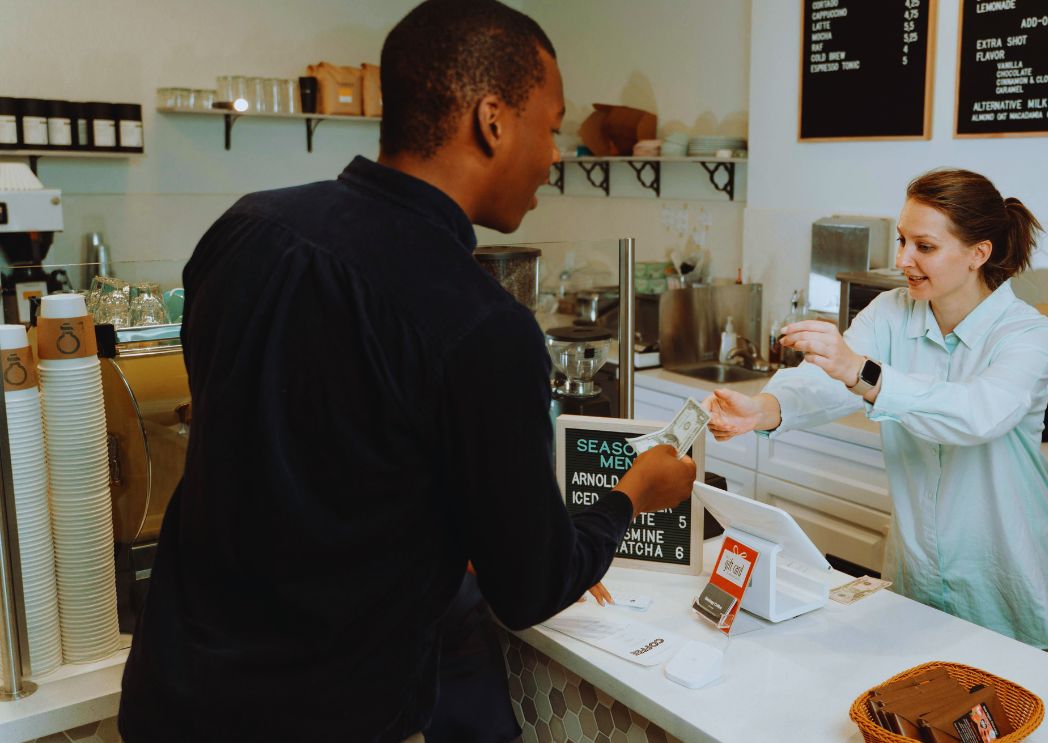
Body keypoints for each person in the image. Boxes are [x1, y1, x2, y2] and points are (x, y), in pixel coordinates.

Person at [117, 1, 696, 741]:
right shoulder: (480, 324)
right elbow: (530, 586)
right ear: (493, 121)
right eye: (551, 127)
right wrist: (633, 494)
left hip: (171, 695)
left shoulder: (246, 228)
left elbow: (310, 455)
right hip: (322, 720)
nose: (555, 155)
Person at [704, 168, 1048, 650]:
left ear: (979, 253)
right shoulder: (893, 311)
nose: (902, 260)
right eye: (902, 240)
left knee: (999, 696)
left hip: (1001, 580)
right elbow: (826, 380)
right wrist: (761, 408)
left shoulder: (1025, 333)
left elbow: (978, 413)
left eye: (924, 246)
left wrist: (862, 372)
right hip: (916, 572)